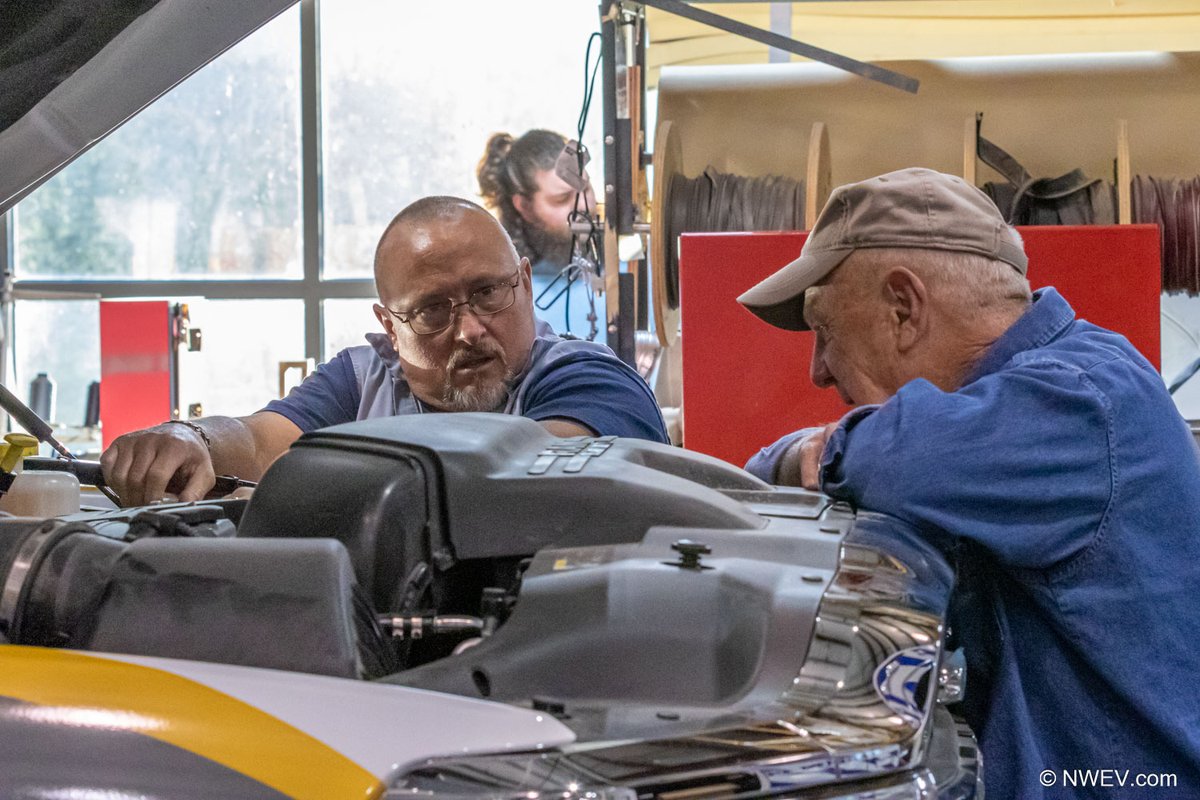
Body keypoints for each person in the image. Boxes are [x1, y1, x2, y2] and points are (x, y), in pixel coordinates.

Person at [738, 168, 1200, 799]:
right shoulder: (1013, 410)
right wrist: (806, 456)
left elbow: (891, 462)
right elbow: (783, 468)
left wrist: (816, 455)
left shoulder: (1081, 401)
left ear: (904, 307)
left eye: (825, 334)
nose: (819, 372)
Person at [101, 196, 667, 507]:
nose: (469, 329)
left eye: (488, 293)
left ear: (522, 280)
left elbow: (522, 477)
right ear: (389, 327)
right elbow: (256, 441)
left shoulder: (589, 381)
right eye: (432, 311)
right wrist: (190, 439)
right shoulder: (362, 380)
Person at [477, 129, 599, 338]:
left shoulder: (631, 264)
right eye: (562, 199)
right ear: (525, 207)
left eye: (586, 189)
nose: (584, 207)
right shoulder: (504, 294)